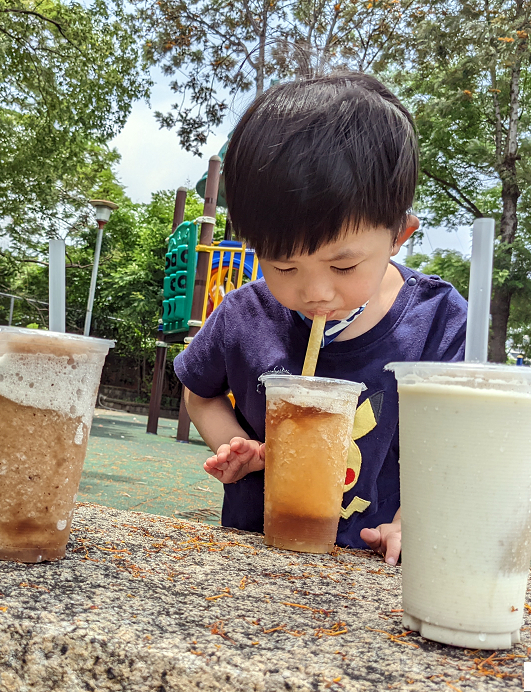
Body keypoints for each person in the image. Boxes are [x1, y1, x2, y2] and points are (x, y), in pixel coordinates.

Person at [174, 72, 468, 565]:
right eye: (283, 266)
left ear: (399, 236)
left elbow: (454, 447)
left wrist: (415, 520)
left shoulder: (435, 321)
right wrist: (237, 448)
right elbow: (198, 393)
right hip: (254, 556)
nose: (315, 292)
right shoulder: (246, 313)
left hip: (369, 569)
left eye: (344, 265)